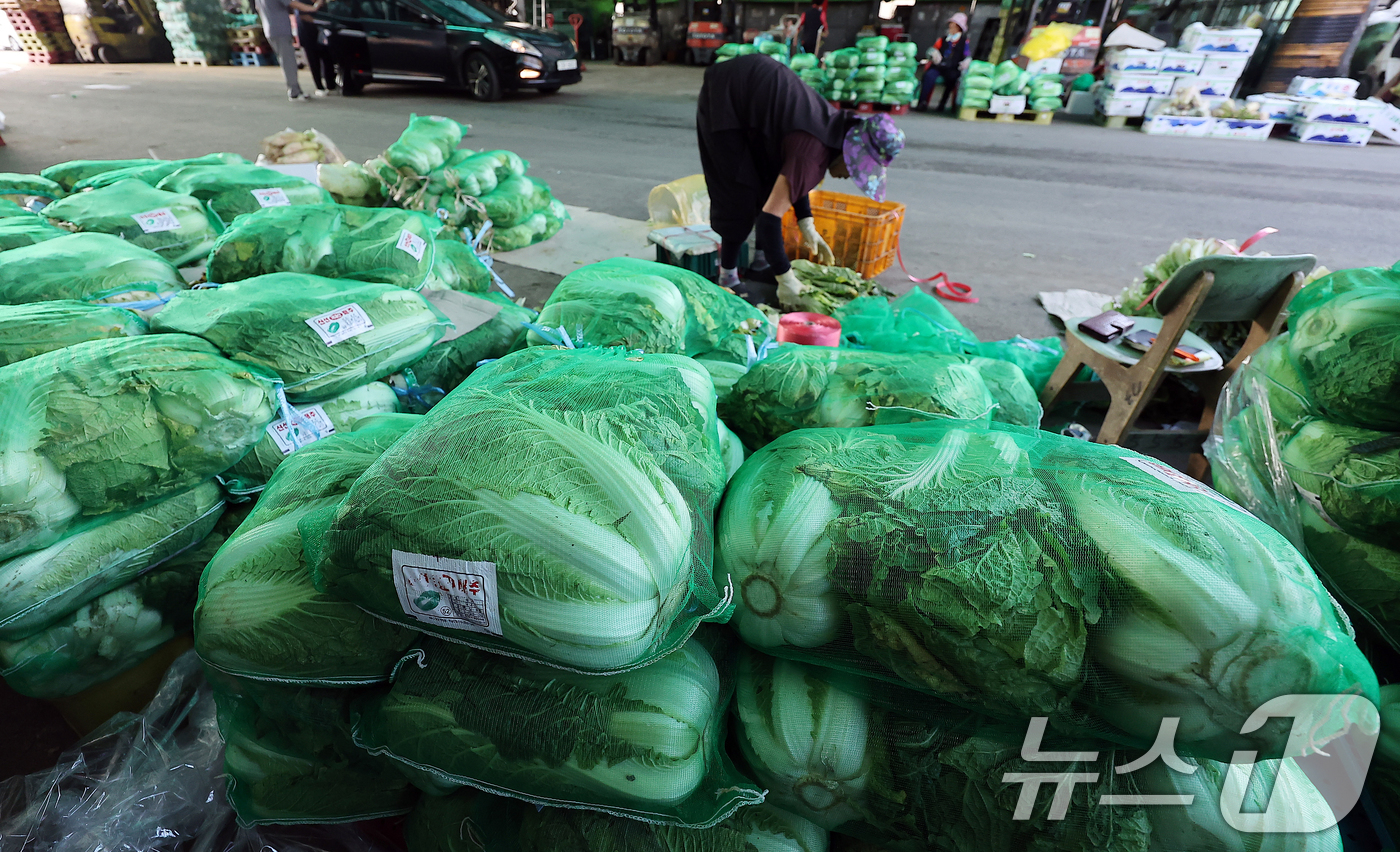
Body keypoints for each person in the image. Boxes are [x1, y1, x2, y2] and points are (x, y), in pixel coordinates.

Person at [696, 54, 905, 306]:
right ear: (850, 152)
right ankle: (727, 277)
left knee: (770, 183)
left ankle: (761, 262)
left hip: (757, 99)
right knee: (739, 189)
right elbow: (769, 219)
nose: (850, 175)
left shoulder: (834, 130)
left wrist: (806, 221)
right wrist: (787, 279)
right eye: (856, 168)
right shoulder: (812, 150)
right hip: (726, 97)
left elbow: (792, 177)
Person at [255, 0, 325, 101]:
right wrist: (313, 8)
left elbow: (258, 8)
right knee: (288, 61)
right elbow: (293, 4)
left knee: (286, 60)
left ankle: (296, 90)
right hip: (281, 29)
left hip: (271, 29)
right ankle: (294, 92)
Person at [916, 12, 970, 112]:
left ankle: (942, 104)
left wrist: (966, 62)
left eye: (953, 25)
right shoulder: (943, 39)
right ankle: (922, 102)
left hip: (952, 68)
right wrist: (934, 54)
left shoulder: (964, 41)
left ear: (958, 27)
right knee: (929, 76)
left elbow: (966, 55)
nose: (950, 26)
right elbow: (933, 49)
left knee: (953, 78)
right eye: (951, 24)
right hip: (938, 66)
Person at [296, 0, 336, 96]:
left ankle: (331, 85)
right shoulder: (302, 2)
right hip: (308, 34)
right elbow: (304, 16)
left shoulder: (322, 2)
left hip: (322, 34)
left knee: (327, 58)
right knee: (314, 61)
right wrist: (319, 20)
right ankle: (319, 87)